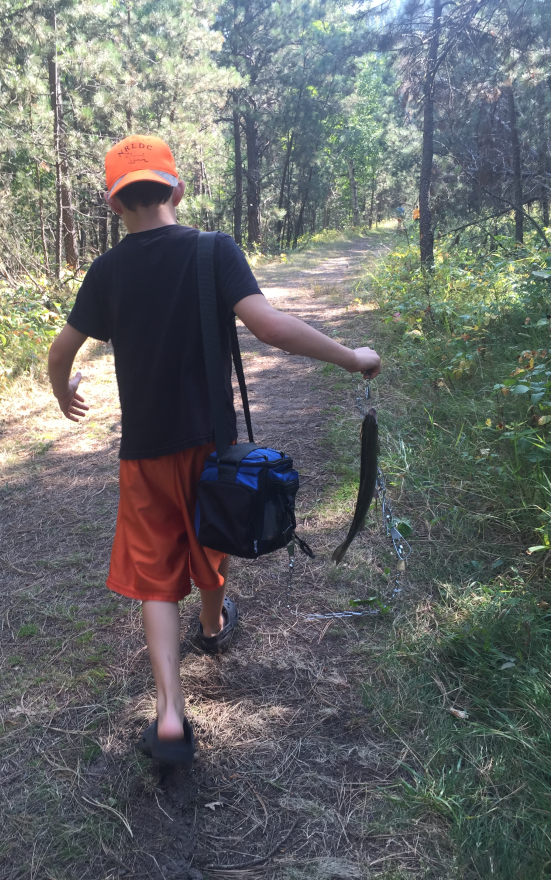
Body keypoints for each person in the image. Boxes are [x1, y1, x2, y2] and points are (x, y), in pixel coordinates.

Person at [48, 135, 381, 767]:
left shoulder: (107, 271)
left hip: (144, 449)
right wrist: (351, 357)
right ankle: (212, 625)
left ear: (114, 203)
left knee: (153, 572)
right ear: (176, 188)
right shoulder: (213, 250)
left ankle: (171, 715)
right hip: (209, 443)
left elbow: (61, 352)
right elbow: (267, 325)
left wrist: (64, 392)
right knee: (211, 529)